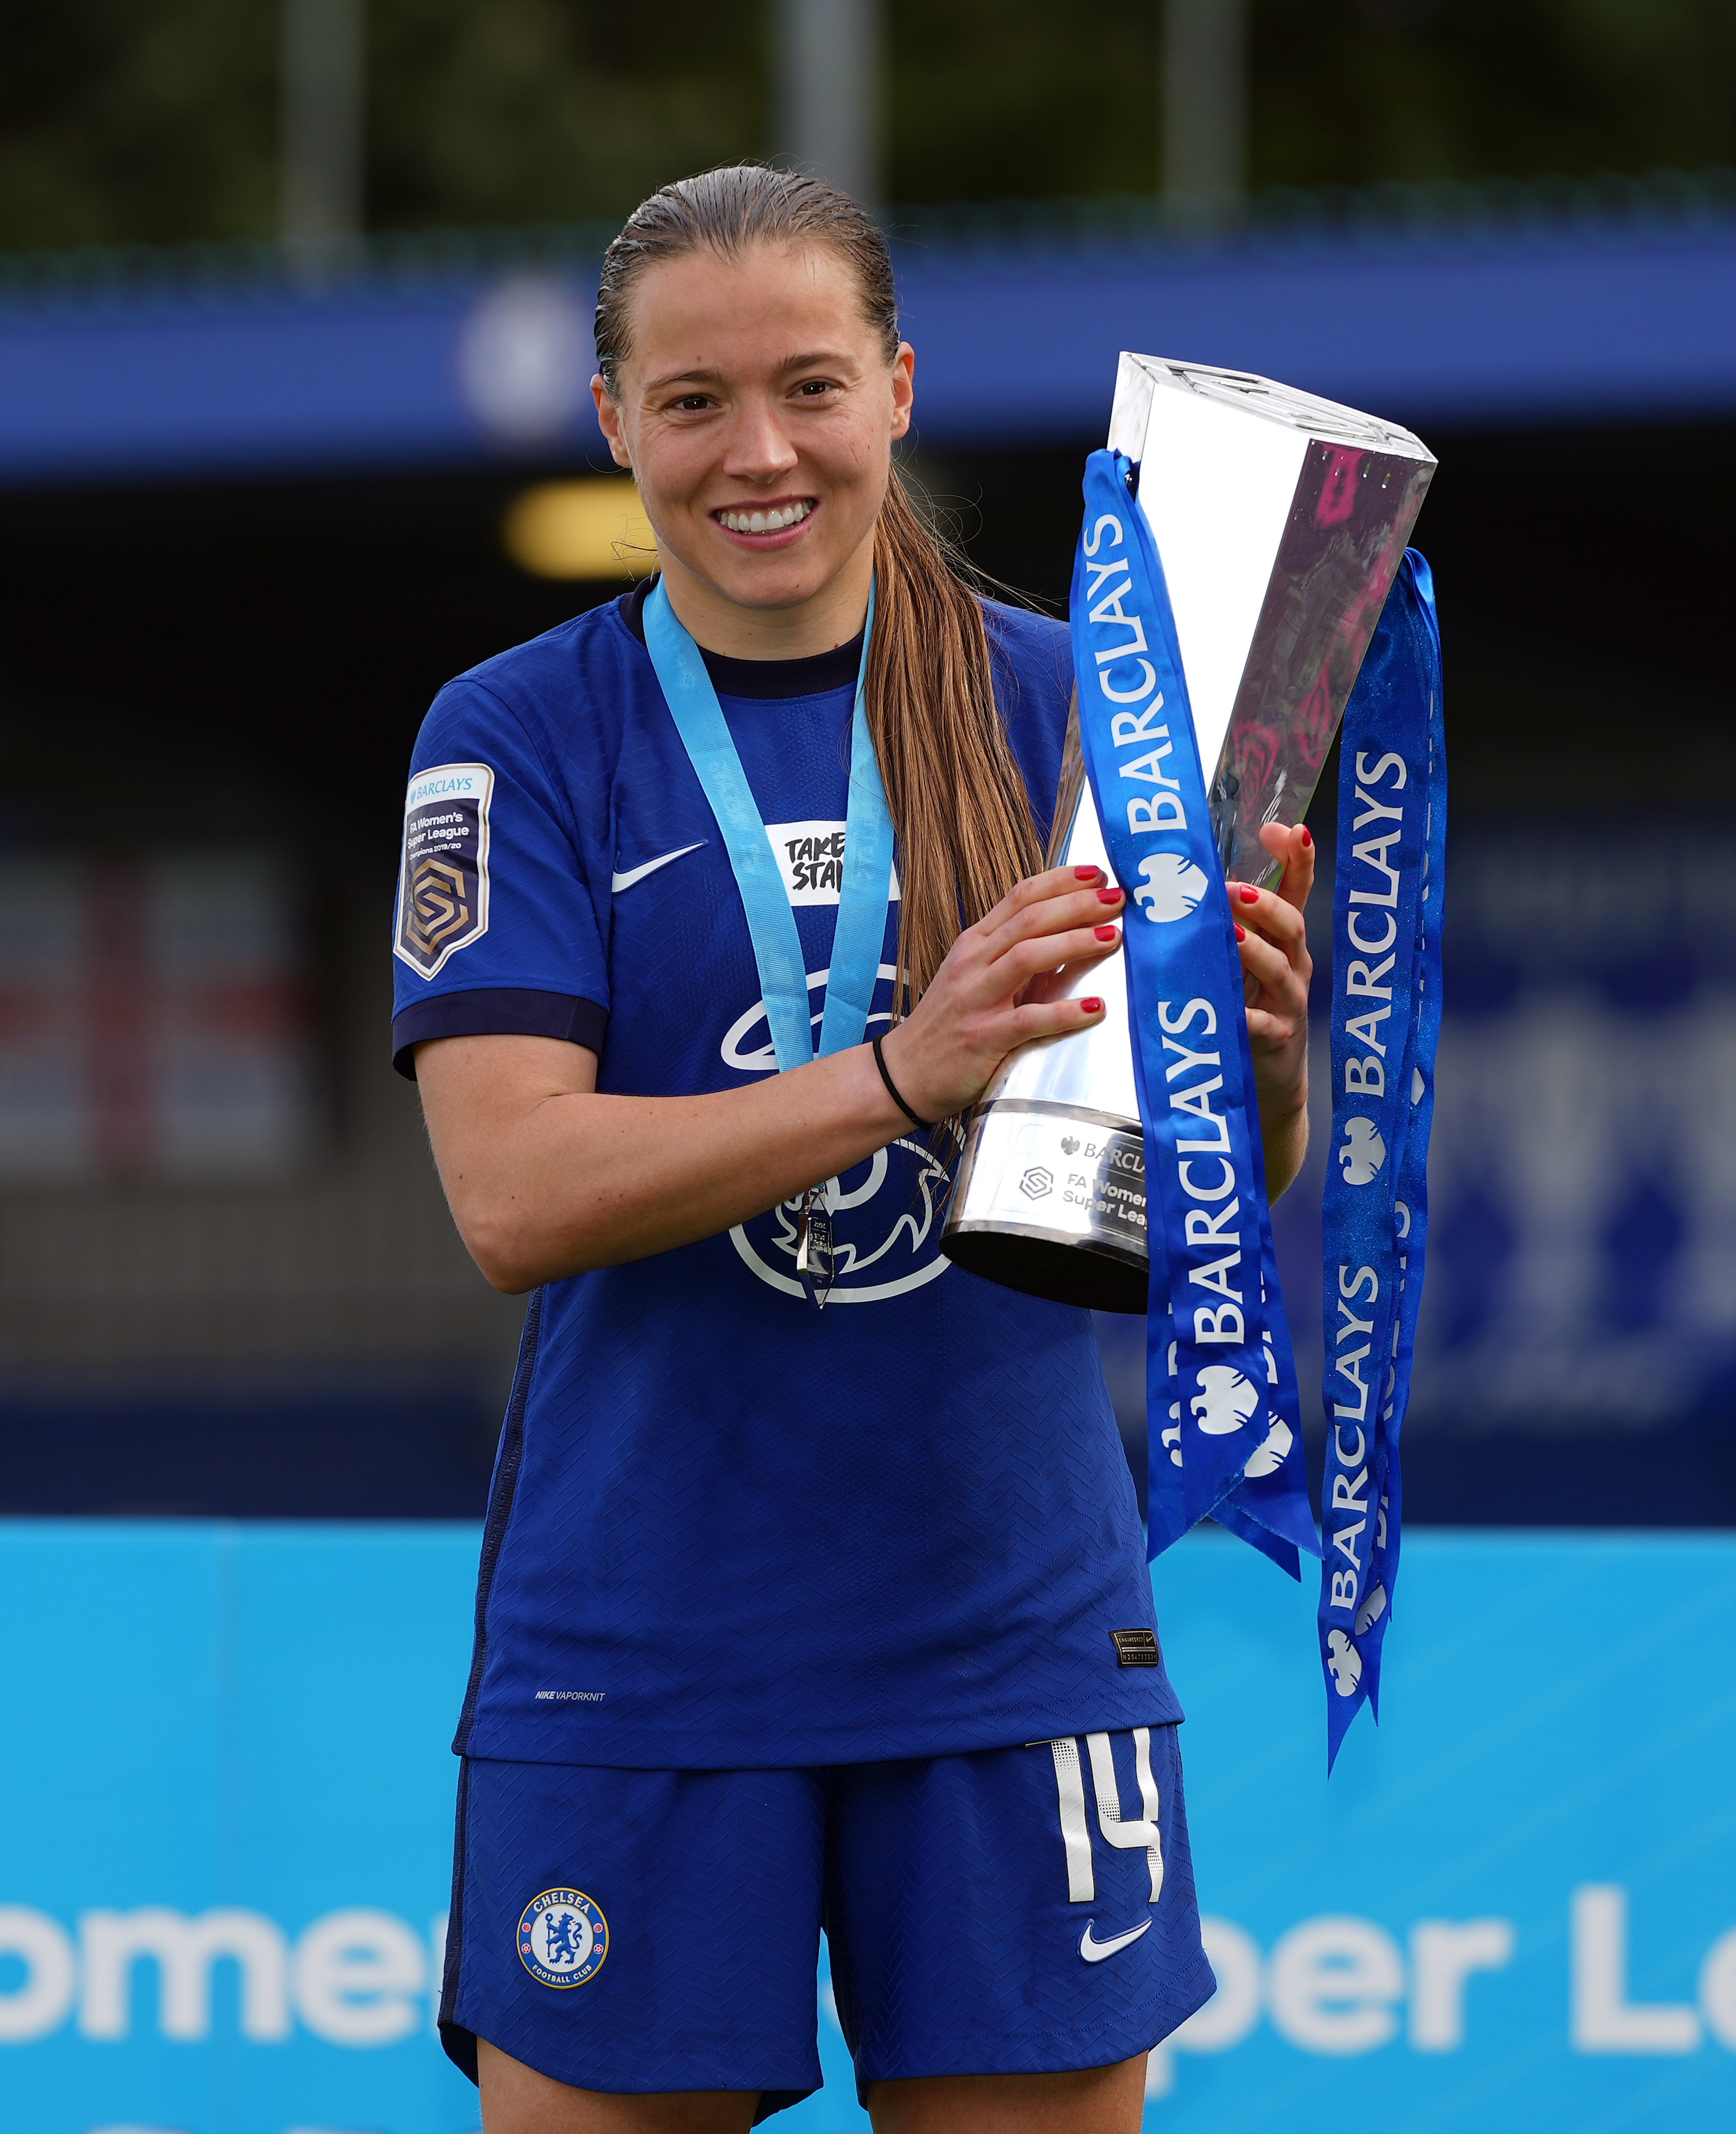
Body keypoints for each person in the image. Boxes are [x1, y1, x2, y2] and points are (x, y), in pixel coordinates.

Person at [392, 164, 1314, 2134]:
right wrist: (902, 1073)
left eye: (809, 385)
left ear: (897, 386)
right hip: (639, 1653)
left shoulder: (1089, 707)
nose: (760, 452)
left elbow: (1175, 1216)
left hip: (1006, 1643)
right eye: (694, 400)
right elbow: (511, 1195)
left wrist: (1263, 1081)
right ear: (612, 422)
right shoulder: (519, 735)